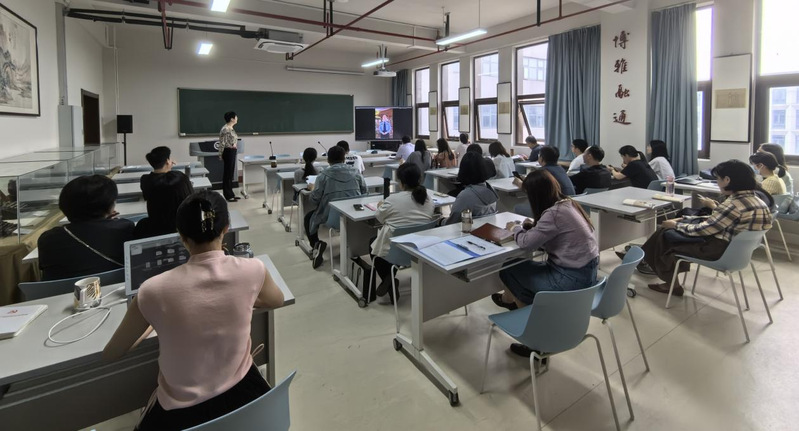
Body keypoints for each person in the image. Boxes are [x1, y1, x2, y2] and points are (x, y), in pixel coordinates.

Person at [103, 191, 284, 431]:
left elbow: (113, 352)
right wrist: (244, 298)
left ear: (181, 236)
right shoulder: (252, 269)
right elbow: (276, 300)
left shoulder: (152, 290)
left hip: (181, 417)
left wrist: (152, 321)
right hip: (247, 401)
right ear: (227, 228)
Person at [492, 169, 598, 357]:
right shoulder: (568, 204)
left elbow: (526, 243)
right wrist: (534, 228)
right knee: (517, 269)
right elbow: (554, 235)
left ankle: (533, 340)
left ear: (536, 195)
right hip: (586, 274)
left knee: (508, 269)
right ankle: (516, 304)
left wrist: (515, 228)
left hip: (569, 279)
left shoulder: (553, 214)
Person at [642, 160, 773, 296]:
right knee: (668, 234)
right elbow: (722, 221)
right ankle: (649, 262)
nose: (717, 183)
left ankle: (667, 281)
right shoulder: (759, 202)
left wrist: (676, 224)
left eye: (718, 179)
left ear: (727, 180)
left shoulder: (734, 204)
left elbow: (703, 230)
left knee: (665, 237)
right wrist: (685, 219)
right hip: (740, 253)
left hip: (719, 251)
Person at [38, 175, 134, 281]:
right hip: (115, 288)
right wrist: (106, 220)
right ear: (108, 206)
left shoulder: (47, 239)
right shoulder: (124, 228)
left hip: (61, 292)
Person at [369, 163, 435, 304]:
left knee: (373, 243)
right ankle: (390, 278)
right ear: (419, 179)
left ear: (401, 182)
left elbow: (379, 218)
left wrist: (381, 205)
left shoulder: (393, 200)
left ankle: (389, 279)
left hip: (396, 252)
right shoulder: (428, 199)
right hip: (420, 250)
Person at [305, 145, 367, 269]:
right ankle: (354, 249)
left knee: (308, 218)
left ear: (328, 160)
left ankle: (316, 245)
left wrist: (312, 189)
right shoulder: (356, 172)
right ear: (344, 159)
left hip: (331, 217)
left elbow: (314, 200)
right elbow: (365, 193)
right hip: (354, 215)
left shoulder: (323, 175)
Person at [135, 146, 195, 239]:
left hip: (156, 226)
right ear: (167, 161)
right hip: (178, 227)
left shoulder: (145, 180)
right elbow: (191, 197)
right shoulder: (179, 179)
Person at [445, 152, 498, 224]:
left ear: (463, 170)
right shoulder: (492, 190)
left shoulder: (466, 196)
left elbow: (452, 222)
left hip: (468, 229)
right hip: (488, 228)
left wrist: (441, 221)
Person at [759, 143, 797, 215]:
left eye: (759, 153)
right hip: (780, 204)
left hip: (779, 206)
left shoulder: (776, 171)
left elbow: (762, 192)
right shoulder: (778, 169)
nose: (756, 155)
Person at [218, 111, 240, 202]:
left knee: (230, 174)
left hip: (232, 151)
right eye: (236, 117)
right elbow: (222, 142)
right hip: (228, 151)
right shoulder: (225, 129)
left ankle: (231, 194)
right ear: (232, 119)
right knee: (227, 174)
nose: (237, 118)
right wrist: (220, 154)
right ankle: (227, 195)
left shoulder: (231, 128)